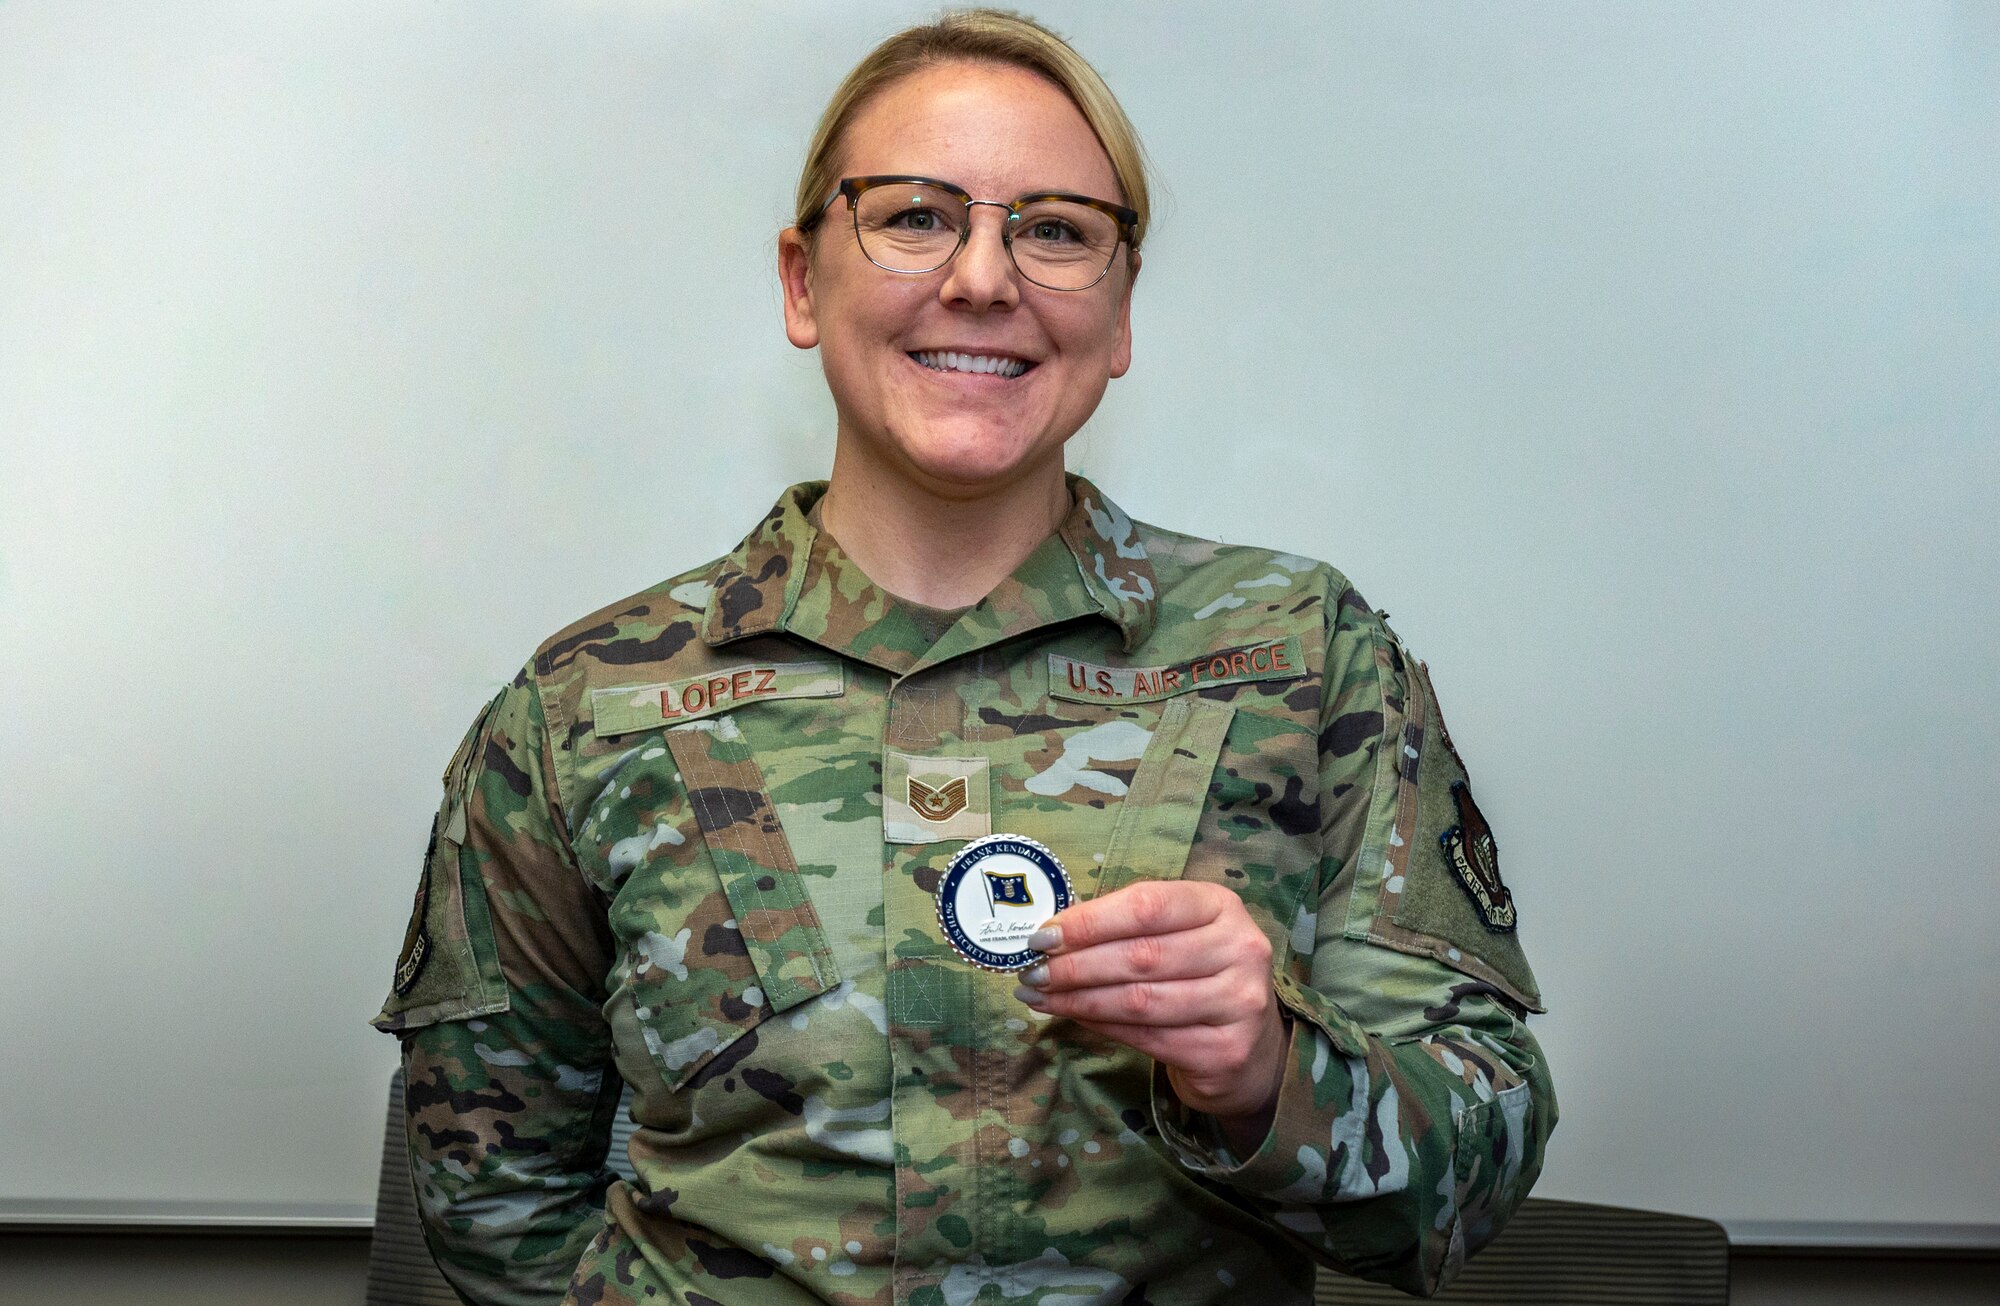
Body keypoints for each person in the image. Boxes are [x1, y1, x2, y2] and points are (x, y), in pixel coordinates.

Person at [373, 11, 1556, 1303]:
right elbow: (493, 1206)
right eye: (916, 215)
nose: (985, 277)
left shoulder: (1304, 659)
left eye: (1055, 230)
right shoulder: (588, 708)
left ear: (1118, 313)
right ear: (800, 281)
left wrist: (1268, 1071)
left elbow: (1478, 1167)